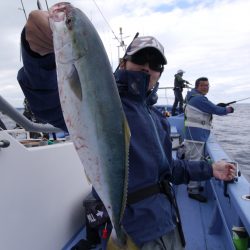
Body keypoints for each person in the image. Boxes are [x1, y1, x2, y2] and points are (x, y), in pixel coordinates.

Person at [17, 9, 236, 250]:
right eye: (140, 60)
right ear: (123, 63)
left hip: (168, 223)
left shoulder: (158, 119)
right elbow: (48, 101)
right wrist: (38, 55)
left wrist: (210, 169)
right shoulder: (104, 101)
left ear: (159, 74)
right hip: (135, 229)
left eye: (155, 64)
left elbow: (170, 170)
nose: (147, 67)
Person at [184, 77, 234, 202]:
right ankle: (193, 190)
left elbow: (208, 108)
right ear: (197, 86)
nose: (206, 87)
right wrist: (228, 109)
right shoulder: (199, 98)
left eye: (207, 85)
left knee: (192, 160)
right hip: (196, 136)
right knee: (195, 162)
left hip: (192, 135)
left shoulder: (192, 97)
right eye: (203, 85)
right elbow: (217, 110)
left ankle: (192, 185)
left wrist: (216, 107)